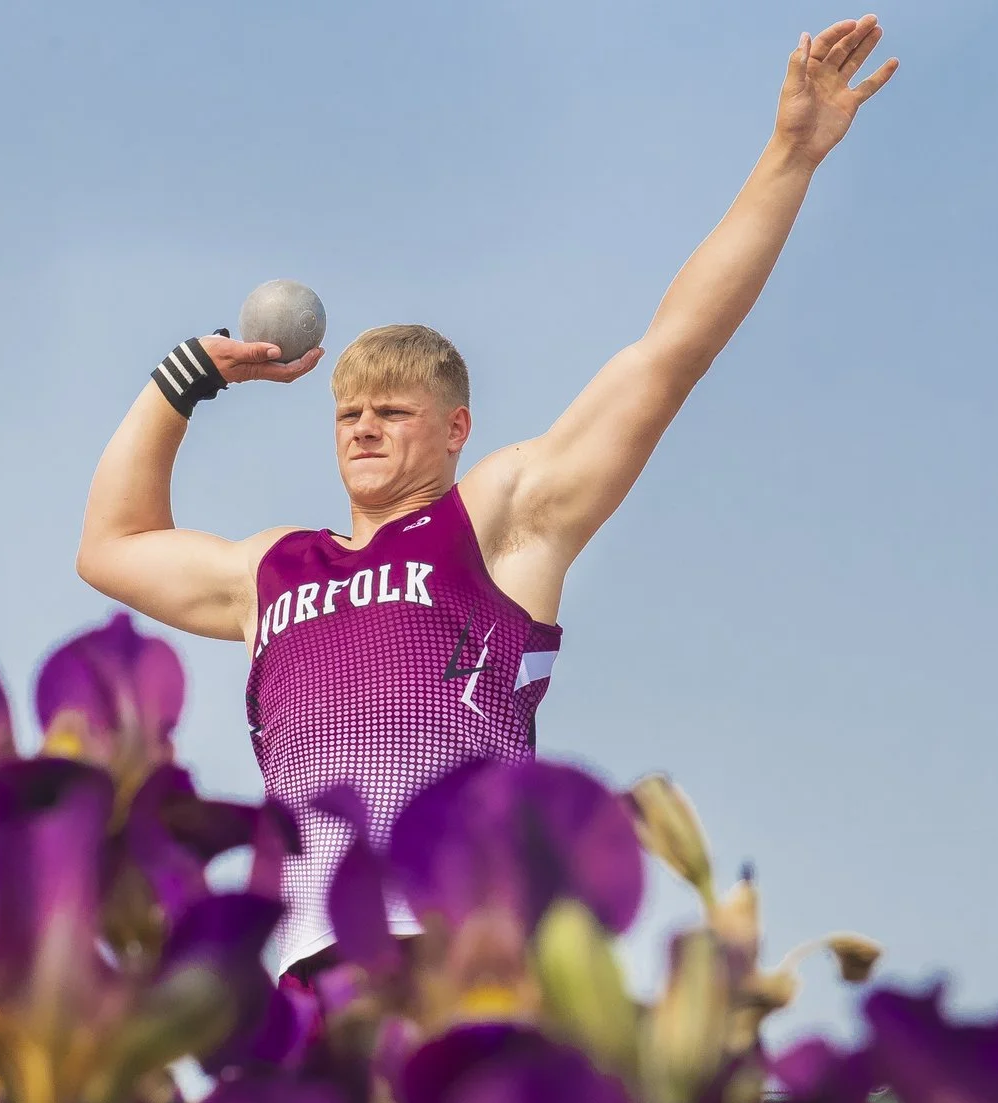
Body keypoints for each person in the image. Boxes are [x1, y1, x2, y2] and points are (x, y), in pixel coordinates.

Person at [74, 19, 896, 978]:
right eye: (349, 415)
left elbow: (667, 355)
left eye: (393, 411)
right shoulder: (274, 569)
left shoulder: (500, 520)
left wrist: (790, 155)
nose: (366, 429)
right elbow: (113, 543)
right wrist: (186, 377)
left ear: (456, 430)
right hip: (315, 969)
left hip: (465, 949)